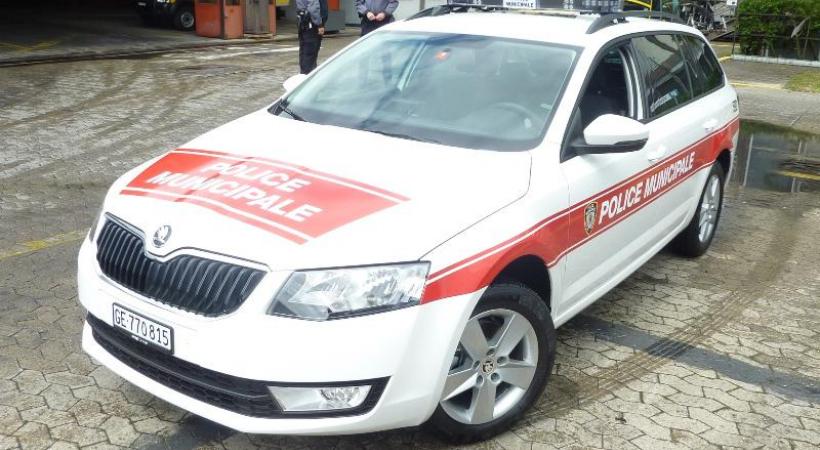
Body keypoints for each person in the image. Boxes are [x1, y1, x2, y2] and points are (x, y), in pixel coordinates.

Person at [296, 0, 328, 74]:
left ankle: (303, 74)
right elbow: (313, 6)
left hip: (303, 21)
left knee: (304, 51)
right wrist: (319, 24)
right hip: (312, 24)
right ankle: (308, 77)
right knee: (310, 53)